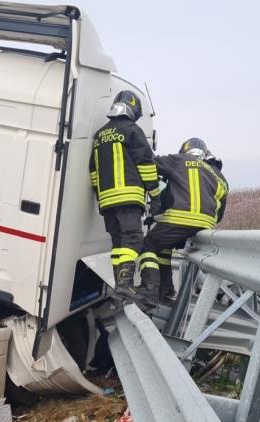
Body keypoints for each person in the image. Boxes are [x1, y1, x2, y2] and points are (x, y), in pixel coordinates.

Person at [135, 138, 228, 308]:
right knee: (163, 247)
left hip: (180, 219)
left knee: (148, 246)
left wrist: (141, 146)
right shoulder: (218, 175)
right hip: (205, 225)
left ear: (185, 150)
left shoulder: (180, 160)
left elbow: (152, 162)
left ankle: (149, 292)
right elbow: (219, 213)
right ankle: (166, 289)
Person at [89, 90, 160, 297]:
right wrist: (155, 196)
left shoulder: (99, 135)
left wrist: (100, 195)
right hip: (128, 197)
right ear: (133, 109)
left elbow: (93, 171)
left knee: (118, 244)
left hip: (107, 201)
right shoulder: (132, 131)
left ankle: (120, 286)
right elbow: (146, 165)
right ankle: (124, 284)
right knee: (133, 239)